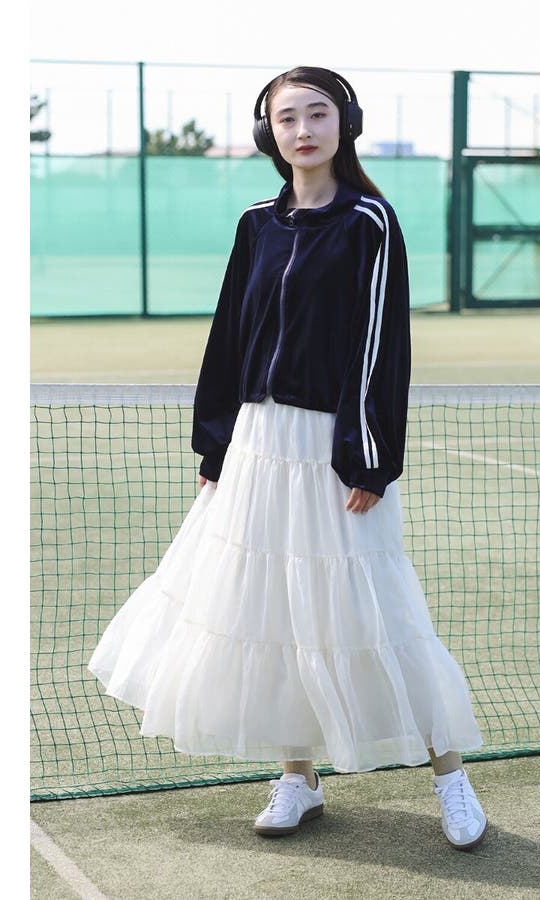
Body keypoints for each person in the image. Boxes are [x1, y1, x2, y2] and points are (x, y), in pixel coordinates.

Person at [88, 66, 488, 851]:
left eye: (318, 113)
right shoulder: (255, 224)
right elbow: (230, 334)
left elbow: (381, 344)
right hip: (257, 445)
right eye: (286, 117)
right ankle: (297, 779)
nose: (302, 130)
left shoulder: (369, 221)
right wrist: (216, 441)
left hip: (336, 451)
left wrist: (367, 456)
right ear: (266, 131)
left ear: (346, 124)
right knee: (269, 607)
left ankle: (452, 779)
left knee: (379, 612)